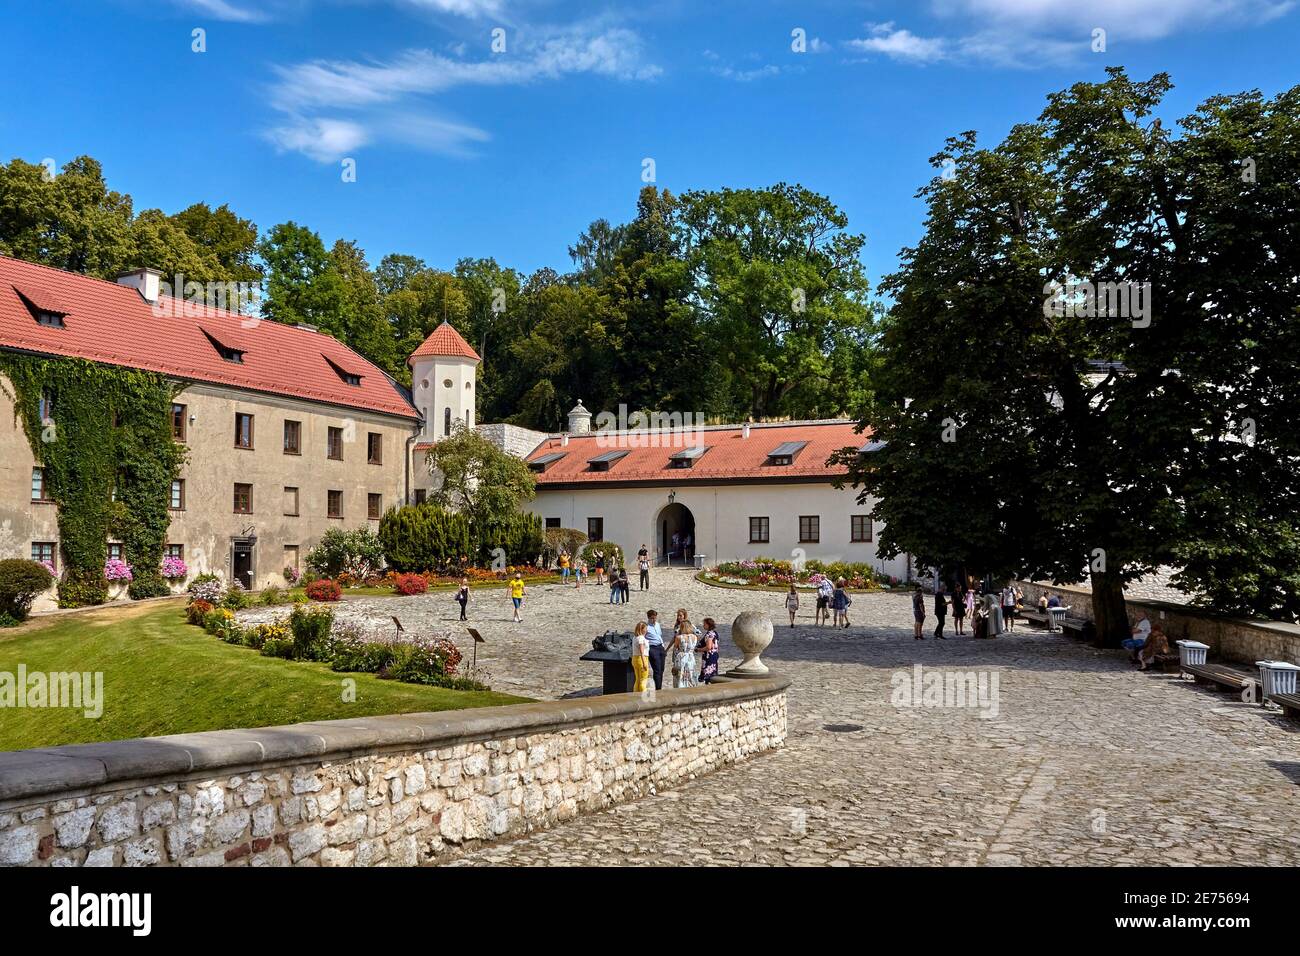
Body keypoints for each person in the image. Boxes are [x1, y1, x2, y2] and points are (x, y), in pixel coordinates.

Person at [671, 610, 699, 688]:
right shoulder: (694, 637)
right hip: (690, 656)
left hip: (681, 656)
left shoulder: (679, 637)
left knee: (680, 674)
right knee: (690, 673)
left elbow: (675, 649)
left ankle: (680, 687)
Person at [644, 609, 665, 690]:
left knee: (662, 669)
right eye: (652, 618)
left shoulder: (657, 625)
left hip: (660, 647)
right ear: (649, 618)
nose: (654, 620)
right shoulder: (646, 627)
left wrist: (662, 646)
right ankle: (658, 688)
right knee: (657, 669)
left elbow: (659, 635)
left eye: (655, 618)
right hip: (652, 648)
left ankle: (659, 686)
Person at [630, 621, 652, 693]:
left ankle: (636, 694)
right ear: (642, 629)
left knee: (637, 679)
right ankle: (644, 695)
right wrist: (645, 663)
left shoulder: (634, 638)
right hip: (642, 658)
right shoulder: (641, 638)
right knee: (643, 679)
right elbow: (642, 652)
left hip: (635, 658)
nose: (647, 630)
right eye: (645, 629)